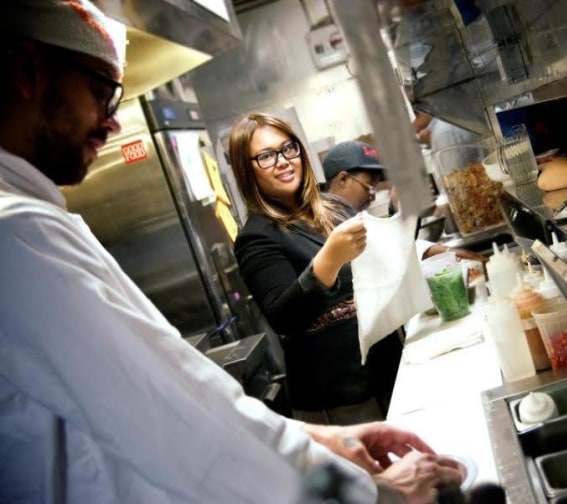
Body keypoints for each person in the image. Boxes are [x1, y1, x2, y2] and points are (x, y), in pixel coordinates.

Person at [0, 1, 463, 502]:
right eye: (101, 92)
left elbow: (190, 407)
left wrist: (322, 441)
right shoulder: (19, 234)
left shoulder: (29, 221)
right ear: (28, 72)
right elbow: (183, 420)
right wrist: (373, 494)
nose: (111, 125)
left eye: (289, 149)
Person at [229, 115, 410, 426]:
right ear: (247, 171)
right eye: (266, 156)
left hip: (389, 367)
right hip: (340, 400)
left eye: (288, 149)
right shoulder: (257, 237)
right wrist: (329, 260)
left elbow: (380, 259)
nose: (283, 162)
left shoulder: (333, 207)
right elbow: (283, 317)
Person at [321, 140, 487, 263]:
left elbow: (389, 247)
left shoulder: (351, 217)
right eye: (370, 184)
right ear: (343, 179)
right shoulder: (326, 222)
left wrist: (396, 205)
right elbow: (384, 257)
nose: (373, 195)